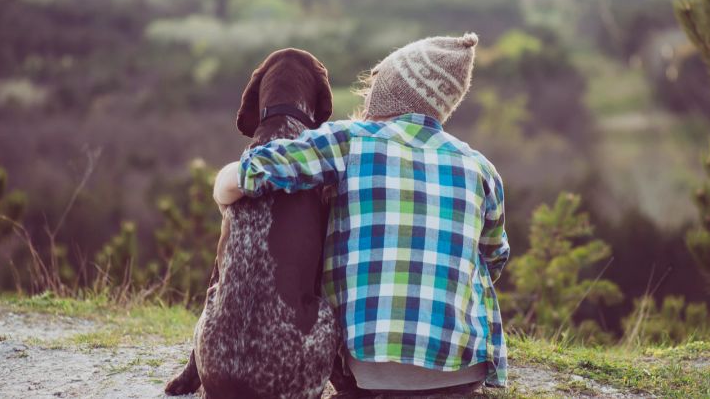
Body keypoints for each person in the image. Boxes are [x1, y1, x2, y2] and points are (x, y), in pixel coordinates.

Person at [213, 33, 509, 396]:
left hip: (369, 368)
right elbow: (494, 258)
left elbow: (257, 170)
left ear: (387, 92)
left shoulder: (350, 139)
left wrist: (223, 184)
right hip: (461, 368)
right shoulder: (480, 167)